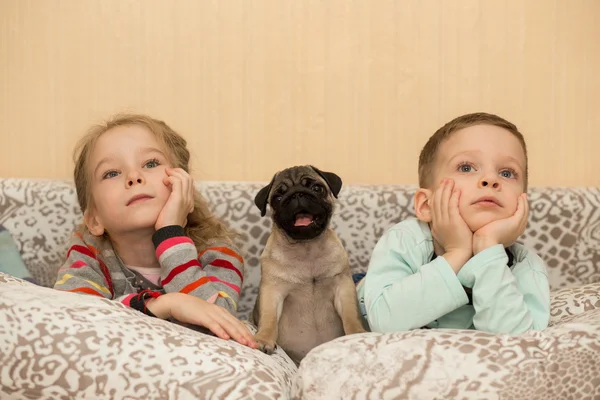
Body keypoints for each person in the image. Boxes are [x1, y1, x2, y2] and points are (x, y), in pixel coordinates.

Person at [54, 113, 257, 348]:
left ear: (184, 187)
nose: (134, 177)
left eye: (151, 164)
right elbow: (74, 324)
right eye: (111, 173)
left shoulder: (217, 251)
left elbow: (218, 326)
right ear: (94, 219)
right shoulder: (88, 254)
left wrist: (170, 233)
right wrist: (166, 305)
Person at [357, 112, 550, 334]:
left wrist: (488, 248)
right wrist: (458, 252)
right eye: (466, 167)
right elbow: (384, 323)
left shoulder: (527, 266)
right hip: (366, 297)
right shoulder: (404, 239)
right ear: (426, 205)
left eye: (507, 173)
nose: (491, 179)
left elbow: (519, 342)